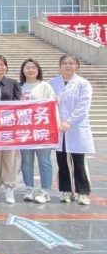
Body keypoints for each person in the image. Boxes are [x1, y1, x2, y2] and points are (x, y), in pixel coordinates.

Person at [50, 55, 94, 206]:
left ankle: (83, 192)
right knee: (62, 161)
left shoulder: (83, 84)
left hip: (76, 128)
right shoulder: (52, 83)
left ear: (77, 66)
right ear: (60, 66)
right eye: (64, 63)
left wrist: (69, 121)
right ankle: (65, 190)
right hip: (58, 128)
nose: (67, 66)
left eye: (71, 63)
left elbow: (83, 106)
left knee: (78, 162)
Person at [19, 59, 55, 204]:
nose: (30, 70)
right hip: (24, 130)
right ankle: (29, 188)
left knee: (44, 160)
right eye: (27, 67)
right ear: (23, 70)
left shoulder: (44, 86)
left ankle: (45, 191)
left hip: (42, 131)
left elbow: (52, 106)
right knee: (26, 161)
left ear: (38, 70)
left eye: (33, 67)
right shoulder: (19, 86)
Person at [0, 55, 22, 204]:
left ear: (6, 67)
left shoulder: (13, 83)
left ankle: (9, 187)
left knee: (10, 157)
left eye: (2, 64)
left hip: (10, 127)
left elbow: (18, 103)